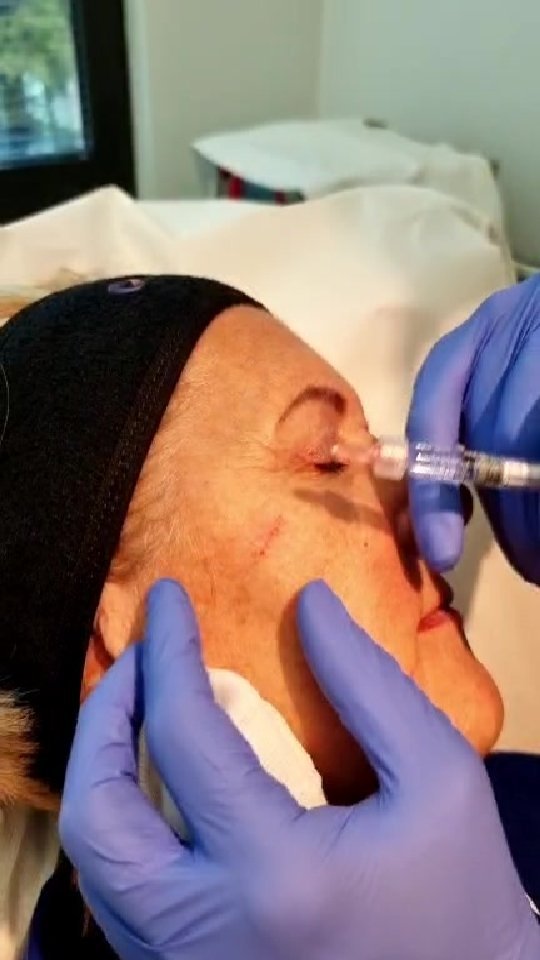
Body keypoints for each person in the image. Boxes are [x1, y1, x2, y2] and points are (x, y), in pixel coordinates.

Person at [0, 275, 533, 957]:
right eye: (327, 460)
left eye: (378, 446)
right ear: (119, 647)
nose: (427, 492)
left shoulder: (504, 805)